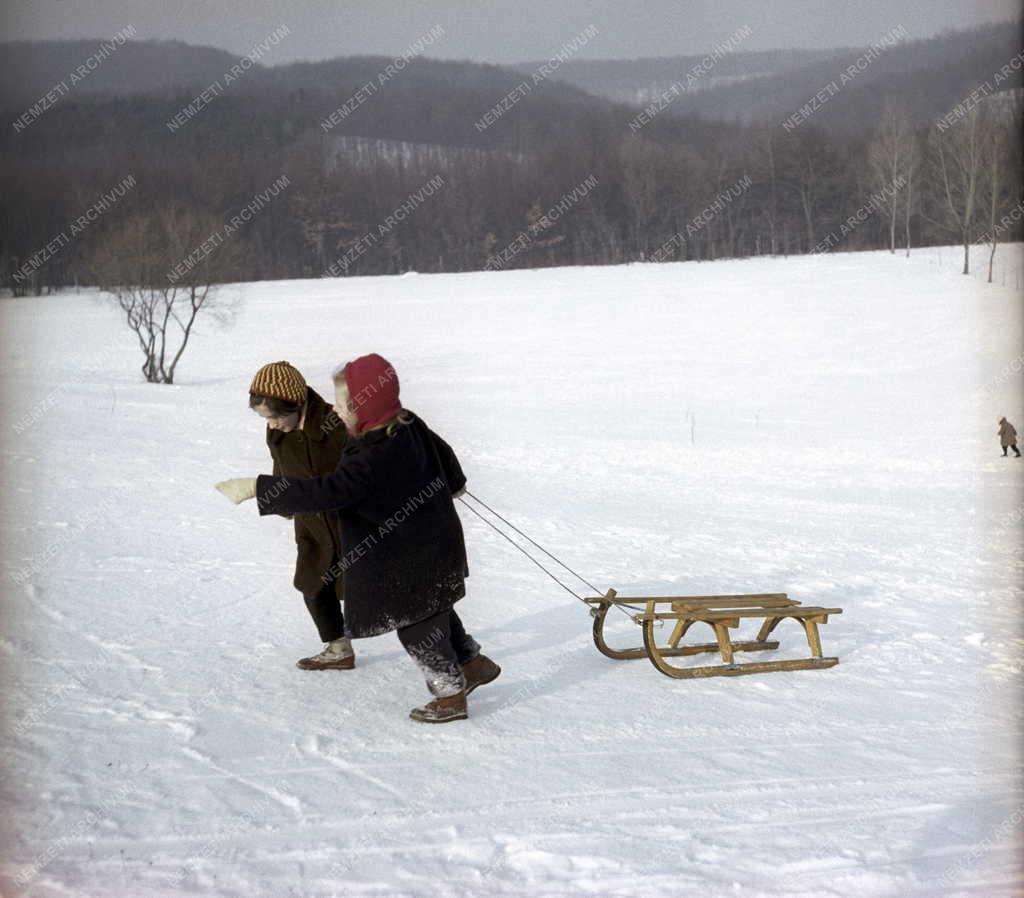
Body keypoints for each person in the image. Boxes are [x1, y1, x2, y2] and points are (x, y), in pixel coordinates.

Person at [215, 353, 500, 723]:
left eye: (341, 404)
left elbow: (331, 490)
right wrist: (456, 483)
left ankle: (449, 695)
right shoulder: (405, 422)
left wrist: (260, 488)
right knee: (433, 609)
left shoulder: (369, 455)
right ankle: (472, 663)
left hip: (409, 553)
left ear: (364, 407)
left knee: (416, 627)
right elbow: (440, 450)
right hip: (433, 541)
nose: (335, 410)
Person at [248, 361, 354, 670]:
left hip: (351, 522)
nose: (272, 425)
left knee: (386, 592)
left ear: (296, 404)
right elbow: (280, 466)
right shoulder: (278, 432)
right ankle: (338, 649)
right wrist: (282, 501)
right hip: (312, 524)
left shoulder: (335, 426)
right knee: (312, 583)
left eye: (276, 417)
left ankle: (458, 653)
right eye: (264, 418)